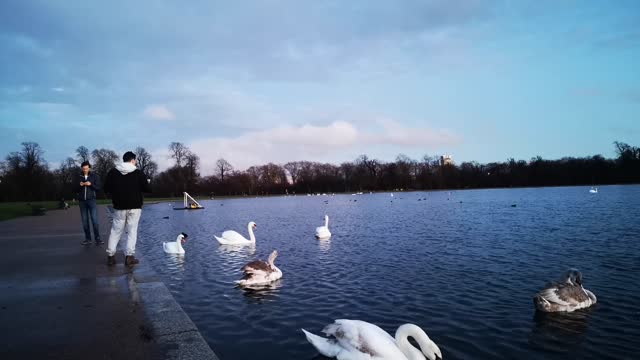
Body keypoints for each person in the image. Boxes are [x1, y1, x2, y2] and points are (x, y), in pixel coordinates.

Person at [103, 151, 151, 266]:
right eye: (135, 161)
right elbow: (148, 189)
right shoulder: (138, 173)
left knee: (115, 231)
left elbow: (106, 188)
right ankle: (129, 257)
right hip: (135, 206)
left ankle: (110, 256)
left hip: (119, 206)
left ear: (124, 159)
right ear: (133, 160)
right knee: (132, 231)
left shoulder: (113, 172)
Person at [74, 161, 102, 245]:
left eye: (86, 168)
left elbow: (98, 188)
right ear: (81, 168)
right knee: (85, 221)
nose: (85, 170)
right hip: (82, 201)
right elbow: (74, 189)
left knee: (95, 220)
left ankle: (97, 239)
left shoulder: (95, 176)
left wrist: (90, 184)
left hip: (91, 200)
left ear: (89, 168)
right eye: (83, 169)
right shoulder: (78, 177)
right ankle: (88, 239)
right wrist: (80, 185)